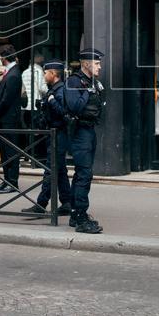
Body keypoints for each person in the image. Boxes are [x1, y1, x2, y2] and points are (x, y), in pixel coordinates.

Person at [22, 59, 74, 217]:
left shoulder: (60, 91)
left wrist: (50, 102)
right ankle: (67, 203)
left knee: (50, 170)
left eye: (45, 73)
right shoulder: (55, 89)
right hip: (54, 134)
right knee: (60, 171)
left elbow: (65, 114)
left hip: (58, 134)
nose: (44, 75)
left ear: (53, 74)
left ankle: (41, 204)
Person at [64, 48, 107, 234]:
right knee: (84, 174)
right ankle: (81, 217)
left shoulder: (92, 82)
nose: (99, 66)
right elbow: (74, 107)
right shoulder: (73, 81)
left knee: (83, 174)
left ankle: (76, 214)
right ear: (86, 64)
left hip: (89, 131)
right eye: (96, 63)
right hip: (79, 132)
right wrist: (87, 92)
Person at [0, 44, 23, 194]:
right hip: (6, 118)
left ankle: (12, 182)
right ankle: (6, 180)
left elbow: (7, 99)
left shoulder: (14, 74)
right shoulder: (11, 72)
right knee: (4, 151)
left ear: (4, 58)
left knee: (11, 152)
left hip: (9, 118)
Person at [21, 53, 47, 127]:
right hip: (35, 105)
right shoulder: (39, 71)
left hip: (25, 105)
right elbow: (42, 88)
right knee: (36, 129)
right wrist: (49, 92)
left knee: (27, 128)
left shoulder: (24, 72)